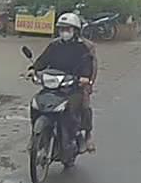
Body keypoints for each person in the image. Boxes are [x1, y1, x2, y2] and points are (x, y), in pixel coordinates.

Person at [30, 12, 96, 152]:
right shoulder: (54, 45)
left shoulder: (83, 48)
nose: (64, 32)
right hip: (53, 86)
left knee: (81, 106)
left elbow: (88, 66)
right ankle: (34, 136)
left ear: (75, 31)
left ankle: (84, 135)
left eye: (67, 29)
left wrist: (84, 78)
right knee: (35, 104)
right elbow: (43, 60)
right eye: (61, 29)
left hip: (73, 86)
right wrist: (33, 69)